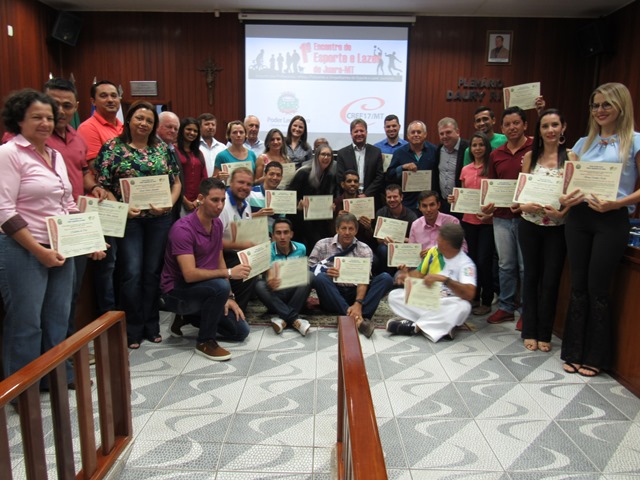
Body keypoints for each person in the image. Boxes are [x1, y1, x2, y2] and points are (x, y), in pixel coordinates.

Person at [0, 89, 106, 386]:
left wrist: (90, 240)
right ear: (19, 120)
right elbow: (4, 211)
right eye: (37, 117)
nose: (45, 123)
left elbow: (68, 205)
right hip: (24, 249)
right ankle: (21, 388)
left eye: (49, 117)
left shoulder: (55, 155)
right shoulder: (8, 153)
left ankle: (56, 376)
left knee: (58, 318)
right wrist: (39, 251)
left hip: (62, 247)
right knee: (27, 322)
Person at [560, 83, 640, 377]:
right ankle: (573, 351)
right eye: (595, 105)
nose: (600, 111)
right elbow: (568, 184)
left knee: (598, 289)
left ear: (621, 106)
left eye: (606, 104)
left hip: (612, 219)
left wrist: (618, 203)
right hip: (579, 219)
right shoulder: (582, 144)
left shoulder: (634, 142)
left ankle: (595, 356)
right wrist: (564, 197)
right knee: (578, 286)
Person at [95, 101, 182, 349]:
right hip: (129, 221)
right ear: (130, 120)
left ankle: (151, 324)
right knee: (131, 273)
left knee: (152, 273)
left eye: (149, 120)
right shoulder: (112, 148)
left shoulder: (162, 149)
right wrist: (122, 209)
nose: (143, 123)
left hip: (159, 220)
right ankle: (132, 328)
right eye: (139, 118)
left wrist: (168, 205)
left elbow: (176, 183)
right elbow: (103, 186)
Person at [160, 178, 251, 360]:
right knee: (220, 286)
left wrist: (230, 298)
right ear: (201, 198)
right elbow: (190, 274)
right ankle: (205, 342)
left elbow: (219, 259)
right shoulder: (183, 229)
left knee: (240, 331)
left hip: (205, 286)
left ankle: (188, 317)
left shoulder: (216, 224)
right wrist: (229, 274)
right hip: (175, 291)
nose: (220, 206)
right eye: (215, 200)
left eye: (223, 200)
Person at [518, 109, 576, 353]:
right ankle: (529, 330)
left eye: (555, 125)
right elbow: (521, 191)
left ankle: (545, 332)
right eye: (545, 126)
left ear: (563, 127)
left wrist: (563, 213)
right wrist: (524, 204)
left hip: (557, 227)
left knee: (551, 280)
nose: (550, 130)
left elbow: (576, 194)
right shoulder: (531, 156)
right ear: (539, 131)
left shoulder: (572, 157)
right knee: (530, 277)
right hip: (529, 223)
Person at [77, 80, 124, 315]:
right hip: (103, 203)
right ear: (93, 101)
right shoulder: (88, 127)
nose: (110, 100)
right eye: (104, 96)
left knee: (121, 263)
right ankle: (107, 316)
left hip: (123, 205)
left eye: (114, 95)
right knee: (108, 263)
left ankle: (119, 312)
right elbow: (96, 165)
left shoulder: (121, 127)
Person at [482, 106, 532, 325]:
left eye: (516, 123)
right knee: (505, 264)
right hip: (502, 217)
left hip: (528, 217)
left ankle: (526, 312)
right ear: (502, 128)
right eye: (508, 124)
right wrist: (488, 205)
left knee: (525, 266)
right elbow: (492, 186)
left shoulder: (534, 149)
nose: (512, 128)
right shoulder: (496, 154)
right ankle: (506, 307)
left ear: (525, 125)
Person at [309, 213, 393, 338]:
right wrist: (325, 271)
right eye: (343, 228)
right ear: (337, 229)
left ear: (356, 231)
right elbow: (309, 268)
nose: (347, 232)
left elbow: (364, 279)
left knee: (386, 278)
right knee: (320, 278)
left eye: (351, 229)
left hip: (356, 292)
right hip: (333, 293)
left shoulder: (364, 249)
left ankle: (353, 312)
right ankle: (359, 319)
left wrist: (358, 302)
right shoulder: (322, 244)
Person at [387, 224, 476, 342]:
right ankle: (443, 324)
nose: (437, 240)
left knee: (463, 307)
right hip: (429, 299)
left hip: (449, 302)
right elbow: (418, 274)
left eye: (440, 239)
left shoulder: (466, 264)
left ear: (447, 244)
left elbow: (469, 294)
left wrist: (445, 280)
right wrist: (406, 275)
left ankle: (416, 327)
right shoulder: (434, 251)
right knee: (394, 296)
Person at [453, 132, 494, 316]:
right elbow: (462, 194)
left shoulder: (492, 169)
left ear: (486, 147)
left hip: (487, 221)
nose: (477, 148)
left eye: (481, 145)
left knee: (485, 261)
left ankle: (487, 300)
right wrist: (455, 199)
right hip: (468, 221)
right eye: (474, 145)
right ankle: (474, 297)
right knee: (471, 261)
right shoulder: (465, 169)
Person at [255, 218, 313, 336]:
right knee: (259, 285)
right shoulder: (267, 250)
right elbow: (268, 271)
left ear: (291, 234)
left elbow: (300, 272)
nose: (282, 237)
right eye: (278, 233)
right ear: (273, 235)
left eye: (286, 232)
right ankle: (295, 319)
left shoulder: (301, 248)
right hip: (275, 294)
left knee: (309, 275)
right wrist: (271, 279)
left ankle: (283, 319)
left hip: (294, 293)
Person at [219, 167, 260, 312]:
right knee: (248, 268)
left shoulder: (246, 205)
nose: (245, 187)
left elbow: (244, 234)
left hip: (237, 252)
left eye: (249, 184)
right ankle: (233, 315)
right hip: (218, 256)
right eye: (240, 182)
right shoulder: (222, 205)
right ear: (230, 182)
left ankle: (240, 309)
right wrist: (242, 245)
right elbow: (212, 243)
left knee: (263, 259)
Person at [289, 143, 336, 250]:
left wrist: (330, 208)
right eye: (323, 154)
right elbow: (290, 196)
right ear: (316, 156)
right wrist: (298, 205)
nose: (326, 158)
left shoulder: (329, 176)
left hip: (318, 219)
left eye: (329, 155)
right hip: (299, 218)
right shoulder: (303, 173)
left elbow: (327, 198)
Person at [386, 120, 438, 213]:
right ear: (408, 136)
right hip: (408, 203)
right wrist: (402, 167)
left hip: (429, 203)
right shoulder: (399, 153)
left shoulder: (434, 151)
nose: (416, 135)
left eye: (419, 132)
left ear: (425, 134)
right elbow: (389, 175)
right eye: (413, 132)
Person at [335, 119, 385, 204]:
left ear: (366, 132)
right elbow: (340, 177)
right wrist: (354, 194)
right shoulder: (342, 153)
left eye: (362, 131)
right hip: (349, 198)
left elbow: (379, 176)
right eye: (356, 131)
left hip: (371, 198)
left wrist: (366, 194)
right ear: (351, 134)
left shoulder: (376, 152)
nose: (359, 134)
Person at [374, 184, 418, 275]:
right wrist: (384, 239)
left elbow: (415, 242)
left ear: (401, 197)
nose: (392, 200)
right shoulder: (381, 213)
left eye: (395, 197)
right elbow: (378, 239)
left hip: (404, 248)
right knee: (383, 249)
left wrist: (401, 240)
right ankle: (387, 276)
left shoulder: (411, 216)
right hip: (387, 247)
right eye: (389, 197)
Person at [433, 117, 469, 216]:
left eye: (448, 132)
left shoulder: (468, 148)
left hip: (462, 205)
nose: (444, 136)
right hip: (443, 204)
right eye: (441, 134)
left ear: (457, 132)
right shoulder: (438, 150)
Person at [409, 191, 463, 257]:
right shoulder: (415, 225)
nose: (428, 209)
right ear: (419, 208)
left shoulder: (452, 222)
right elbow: (412, 253)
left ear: (438, 205)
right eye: (424, 206)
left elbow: (463, 248)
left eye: (432, 205)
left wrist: (436, 253)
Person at [176, 117, 207, 216]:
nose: (192, 133)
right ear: (182, 130)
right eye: (189, 129)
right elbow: (173, 179)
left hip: (198, 202)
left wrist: (197, 201)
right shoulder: (173, 150)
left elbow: (204, 178)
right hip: (179, 202)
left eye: (195, 131)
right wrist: (185, 201)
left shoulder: (199, 153)